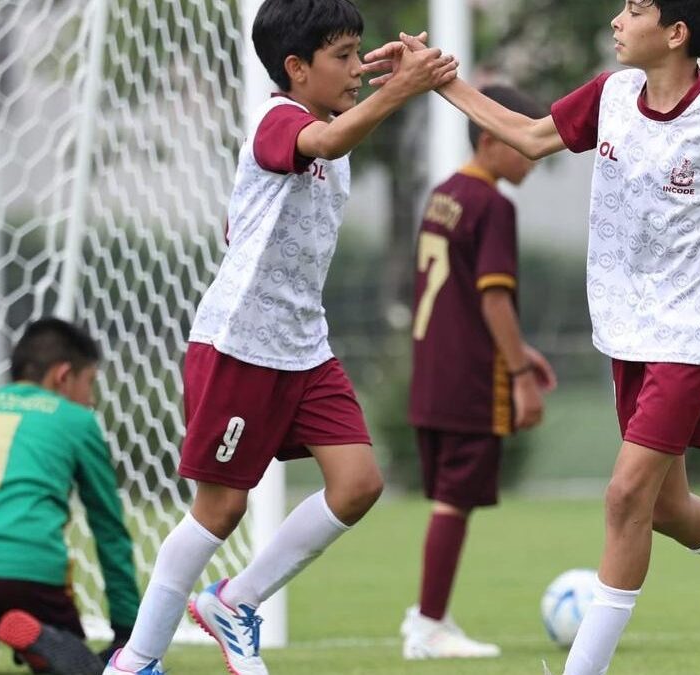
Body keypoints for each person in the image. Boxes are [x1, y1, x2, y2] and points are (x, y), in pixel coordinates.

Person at [365, 0, 700, 671]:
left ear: (675, 33)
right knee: (667, 506)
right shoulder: (611, 96)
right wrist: (443, 81)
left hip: (690, 340)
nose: (616, 16)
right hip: (626, 334)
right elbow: (526, 135)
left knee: (625, 497)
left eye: (634, 7)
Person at [101, 2, 458, 674]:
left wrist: (395, 80)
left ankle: (235, 602)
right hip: (241, 342)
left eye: (360, 53)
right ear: (295, 68)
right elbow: (322, 144)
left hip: (303, 344)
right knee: (222, 507)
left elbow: (257, 218)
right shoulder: (279, 120)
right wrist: (398, 91)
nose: (357, 68)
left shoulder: (331, 129)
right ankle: (137, 659)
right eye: (343, 55)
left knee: (357, 482)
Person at [400, 85, 557, 659]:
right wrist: (519, 375)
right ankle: (428, 625)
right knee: (454, 502)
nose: (534, 154)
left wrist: (523, 348)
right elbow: (492, 300)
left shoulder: (444, 193)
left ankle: (427, 616)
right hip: (470, 379)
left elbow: (462, 295)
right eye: (522, 140)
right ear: (490, 138)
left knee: (448, 497)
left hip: (432, 371)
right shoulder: (494, 205)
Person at [0, 318, 139, 675]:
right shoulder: (76, 420)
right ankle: (37, 640)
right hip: (28, 577)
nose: (91, 399)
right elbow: (108, 528)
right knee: (76, 661)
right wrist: (127, 629)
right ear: (63, 376)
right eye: (90, 383)